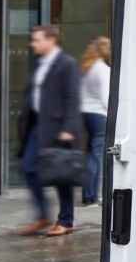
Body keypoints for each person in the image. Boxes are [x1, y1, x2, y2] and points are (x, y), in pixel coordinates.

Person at [17, 25, 82, 237]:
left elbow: (72, 97)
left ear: (51, 39)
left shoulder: (67, 64)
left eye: (36, 40)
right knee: (28, 168)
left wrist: (69, 128)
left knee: (61, 174)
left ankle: (66, 220)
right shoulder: (40, 64)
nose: (32, 44)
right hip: (37, 125)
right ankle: (43, 215)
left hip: (57, 127)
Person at [80, 36, 112, 206]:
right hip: (99, 115)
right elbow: (106, 96)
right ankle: (93, 196)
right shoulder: (103, 70)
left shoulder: (87, 68)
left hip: (84, 114)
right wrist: (112, 114)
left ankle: (87, 194)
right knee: (97, 155)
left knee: (89, 154)